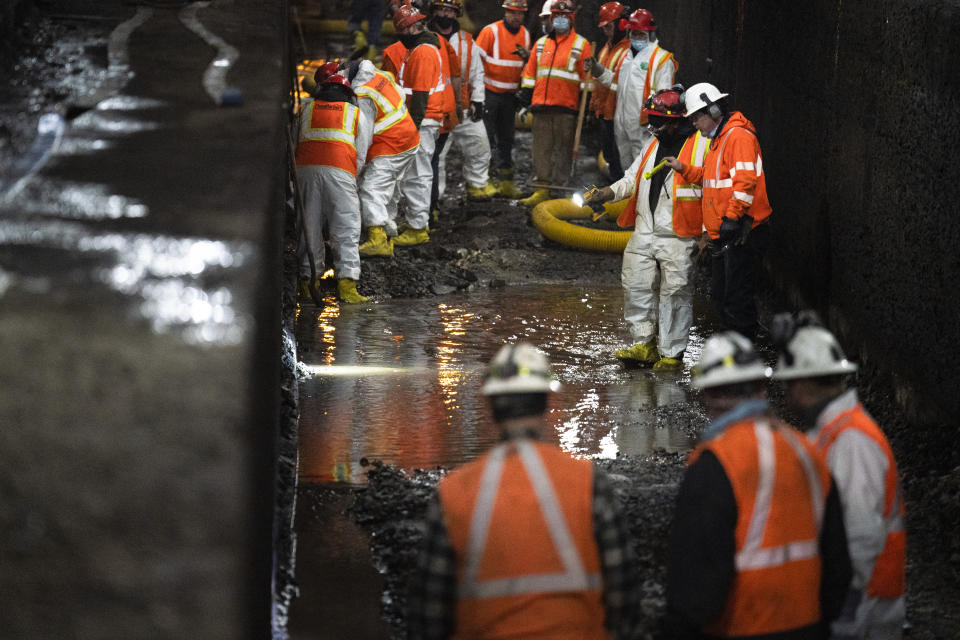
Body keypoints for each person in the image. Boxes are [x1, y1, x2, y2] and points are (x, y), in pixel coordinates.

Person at [406, 342, 641, 639]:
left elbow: (429, 614)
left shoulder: (455, 491)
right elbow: (624, 596)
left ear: (490, 405)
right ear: (547, 400)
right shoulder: (587, 481)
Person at [665, 331, 852, 639]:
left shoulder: (715, 462)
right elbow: (838, 563)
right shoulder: (807, 451)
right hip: (809, 626)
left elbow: (697, 582)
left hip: (742, 626)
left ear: (709, 394)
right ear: (762, 388)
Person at [772, 311, 907, 640]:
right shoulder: (835, 432)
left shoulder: (851, 442)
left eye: (788, 385)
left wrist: (839, 605)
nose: (787, 398)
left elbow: (859, 535)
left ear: (802, 383)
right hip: (859, 595)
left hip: (863, 601)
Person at [584, 88, 708, 370]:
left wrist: (707, 233)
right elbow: (632, 178)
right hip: (646, 229)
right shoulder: (653, 144)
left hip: (679, 233)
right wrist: (607, 193)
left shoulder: (701, 145)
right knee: (636, 283)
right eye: (651, 120)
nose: (652, 127)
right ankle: (644, 344)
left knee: (675, 293)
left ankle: (671, 354)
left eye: (658, 121)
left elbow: (710, 189)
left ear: (677, 120)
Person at [663, 82, 772, 339]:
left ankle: (739, 354)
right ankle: (734, 350)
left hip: (742, 229)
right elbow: (712, 180)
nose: (694, 125)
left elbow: (745, 182)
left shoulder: (737, 137)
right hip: (729, 231)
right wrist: (683, 168)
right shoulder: (719, 139)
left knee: (734, 298)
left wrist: (732, 218)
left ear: (712, 110)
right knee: (724, 296)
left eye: (696, 118)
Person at [295, 63, 373, 304]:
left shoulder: (305, 110)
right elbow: (361, 153)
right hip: (341, 171)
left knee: (308, 227)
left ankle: (308, 284)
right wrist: (352, 177)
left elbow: (293, 141)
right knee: (346, 227)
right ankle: (347, 288)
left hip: (305, 171)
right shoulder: (355, 113)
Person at [517, 0, 592, 208]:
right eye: (556, 16)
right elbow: (530, 74)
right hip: (541, 107)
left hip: (566, 109)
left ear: (571, 19)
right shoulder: (541, 44)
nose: (560, 20)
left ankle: (559, 191)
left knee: (563, 151)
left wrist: (586, 110)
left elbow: (587, 81)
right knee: (540, 150)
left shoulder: (581, 45)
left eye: (564, 16)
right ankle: (541, 190)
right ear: (551, 19)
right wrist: (526, 99)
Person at [347, 59, 421, 258]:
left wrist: (356, 169)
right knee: (390, 187)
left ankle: (377, 239)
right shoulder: (379, 76)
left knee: (372, 190)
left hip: (391, 144)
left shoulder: (362, 95)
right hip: (409, 138)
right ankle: (388, 230)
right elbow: (400, 97)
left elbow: (363, 137)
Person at [585, 9, 675, 169]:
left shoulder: (660, 59)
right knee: (626, 168)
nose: (636, 38)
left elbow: (666, 97)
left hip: (644, 126)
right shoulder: (626, 57)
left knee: (644, 168)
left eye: (641, 34)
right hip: (622, 124)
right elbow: (616, 82)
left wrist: (657, 124)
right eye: (633, 34)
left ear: (650, 34)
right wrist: (598, 70)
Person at [391, 2, 450, 247]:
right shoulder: (416, 49)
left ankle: (418, 226)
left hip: (423, 122)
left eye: (402, 31)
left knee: (418, 175)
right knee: (416, 174)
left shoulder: (424, 51)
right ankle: (417, 221)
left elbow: (421, 94)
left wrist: (411, 126)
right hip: (423, 121)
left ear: (411, 29)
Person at [431, 0, 499, 202]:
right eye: (441, 9)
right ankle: (435, 196)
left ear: (457, 14)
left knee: (479, 145)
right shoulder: (425, 40)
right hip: (436, 109)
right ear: (434, 11)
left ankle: (477, 185)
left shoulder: (467, 41)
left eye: (450, 11)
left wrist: (478, 100)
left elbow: (477, 71)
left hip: (464, 107)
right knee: (436, 156)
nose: (445, 14)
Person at [476, 0, 531, 198]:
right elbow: (476, 62)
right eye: (512, 13)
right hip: (489, 94)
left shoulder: (525, 34)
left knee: (507, 140)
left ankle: (507, 182)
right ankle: (486, 180)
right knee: (487, 139)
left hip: (510, 97)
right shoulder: (490, 32)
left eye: (520, 13)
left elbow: (527, 68)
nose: (516, 17)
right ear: (505, 12)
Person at [587, 1, 630, 181]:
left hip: (620, 117)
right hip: (605, 114)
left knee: (621, 161)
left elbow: (622, 83)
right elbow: (598, 84)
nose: (606, 31)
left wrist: (599, 72)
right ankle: (615, 200)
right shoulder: (605, 49)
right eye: (603, 28)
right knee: (611, 159)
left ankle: (623, 203)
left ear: (621, 24)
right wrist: (592, 109)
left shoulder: (629, 52)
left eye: (609, 27)